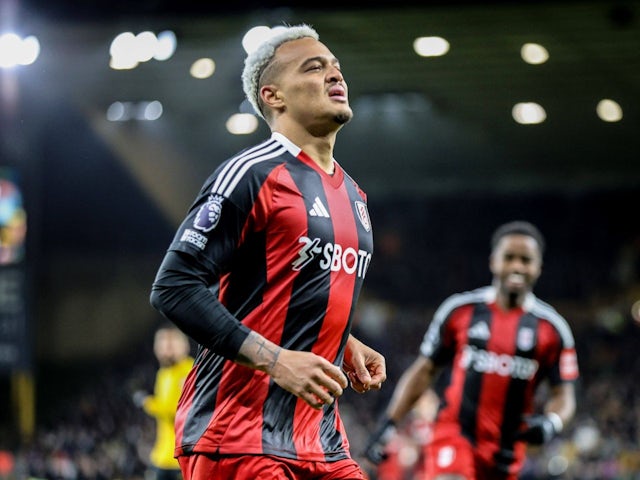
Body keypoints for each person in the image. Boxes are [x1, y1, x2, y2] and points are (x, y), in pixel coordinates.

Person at [149, 23, 386, 480]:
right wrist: (277, 360)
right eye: (314, 68)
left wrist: (343, 343)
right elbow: (174, 286)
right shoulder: (252, 174)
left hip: (321, 439)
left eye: (336, 67)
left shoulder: (354, 195)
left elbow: (281, 288)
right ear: (273, 95)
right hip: (238, 436)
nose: (335, 76)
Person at [363, 220, 579, 480]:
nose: (517, 266)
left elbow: (564, 393)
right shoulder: (459, 311)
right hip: (454, 437)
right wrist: (390, 423)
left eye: (525, 260)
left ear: (539, 267)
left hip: (507, 453)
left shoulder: (552, 329)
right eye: (509, 257)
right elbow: (424, 371)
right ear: (493, 261)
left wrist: (551, 422)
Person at [134, 323, 194, 480]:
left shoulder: (189, 371)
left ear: (184, 345)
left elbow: (179, 412)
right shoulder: (163, 373)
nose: (166, 348)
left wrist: (147, 402)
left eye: (171, 343)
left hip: (181, 458)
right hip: (161, 456)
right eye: (161, 343)